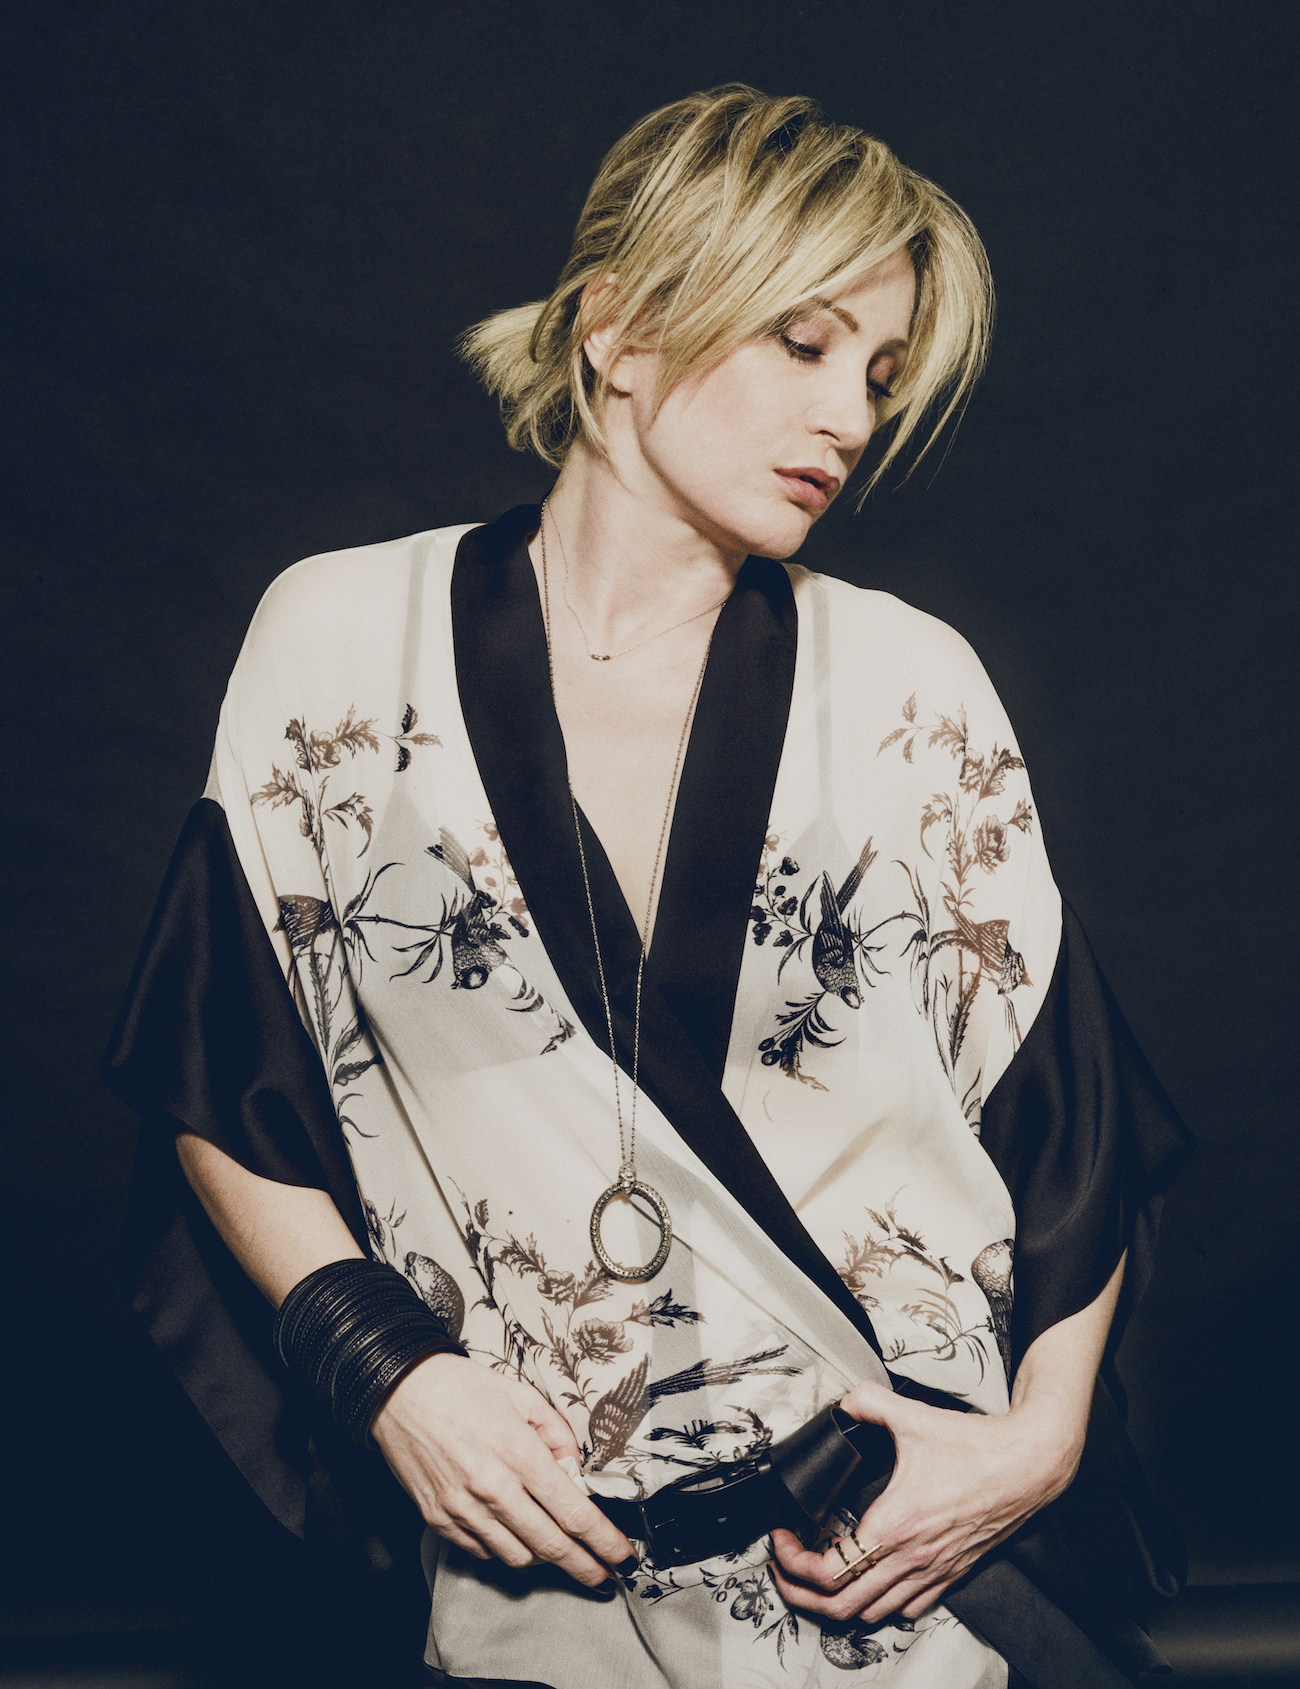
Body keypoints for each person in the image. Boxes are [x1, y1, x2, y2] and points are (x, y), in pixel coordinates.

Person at [107, 86, 1193, 1688]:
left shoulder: (909, 683)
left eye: (880, 373)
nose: (849, 416)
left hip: (898, 1563)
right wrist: (386, 1367)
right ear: (615, 328)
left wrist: (1035, 1448)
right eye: (804, 343)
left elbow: (1069, 1127)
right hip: (533, 1575)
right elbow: (221, 1062)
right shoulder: (340, 641)